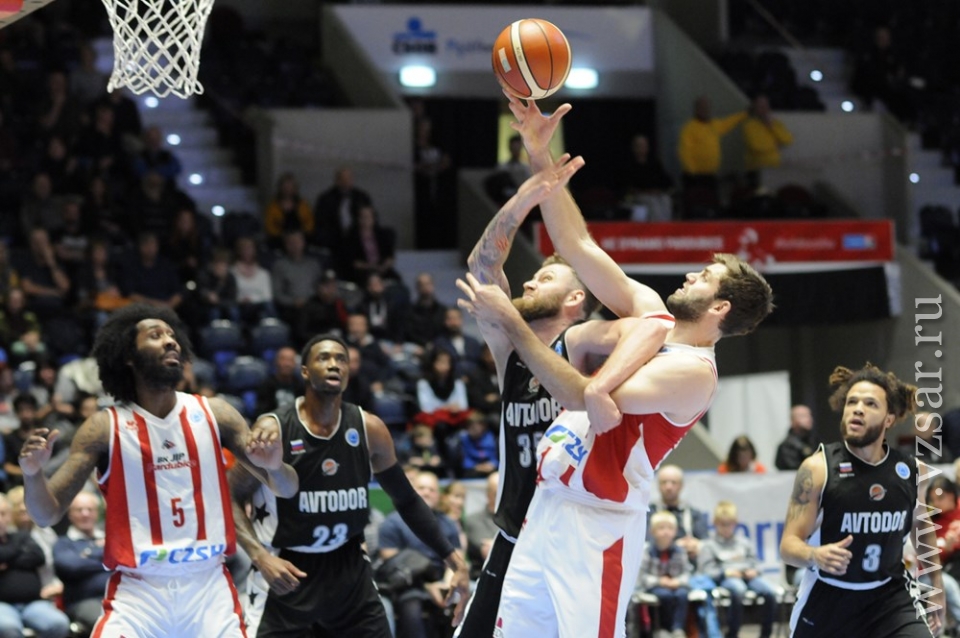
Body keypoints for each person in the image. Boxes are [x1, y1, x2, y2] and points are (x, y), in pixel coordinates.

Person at [456, 90, 773, 638]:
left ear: (720, 308)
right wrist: (539, 156)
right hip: (547, 505)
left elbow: (582, 396)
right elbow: (577, 243)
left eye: (703, 278)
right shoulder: (649, 312)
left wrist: (510, 321)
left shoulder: (694, 373)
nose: (689, 276)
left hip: (596, 522)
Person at [17, 304, 299, 637]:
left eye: (171, 335)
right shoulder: (103, 427)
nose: (170, 341)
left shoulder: (216, 413)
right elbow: (46, 514)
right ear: (129, 356)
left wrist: (273, 465)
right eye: (155, 335)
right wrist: (33, 474)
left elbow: (287, 488)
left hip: (209, 589)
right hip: (140, 593)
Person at [228, 334, 469, 637]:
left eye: (341, 359)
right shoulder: (275, 430)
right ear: (305, 371)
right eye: (324, 358)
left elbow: (407, 499)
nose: (334, 365)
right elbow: (229, 494)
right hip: (285, 573)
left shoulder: (370, 429)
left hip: (349, 572)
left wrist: (455, 561)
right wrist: (259, 557)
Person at [779, 363, 944, 637]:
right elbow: (788, 545)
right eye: (852, 402)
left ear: (889, 419)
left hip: (889, 599)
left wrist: (936, 584)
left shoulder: (912, 471)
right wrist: (815, 555)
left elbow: (921, 525)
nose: (857, 409)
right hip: (829, 599)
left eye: (870, 404)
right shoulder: (818, 468)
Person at [378, 471, 464, 638]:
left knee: (470, 596)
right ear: (411, 491)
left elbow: (457, 559)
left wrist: (447, 585)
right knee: (412, 606)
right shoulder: (392, 523)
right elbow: (391, 564)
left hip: (442, 582)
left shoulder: (448, 523)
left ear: (438, 496)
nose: (427, 492)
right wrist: (428, 586)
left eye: (432, 489)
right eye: (421, 488)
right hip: (409, 585)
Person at [698, 501, 776, 638]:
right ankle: (733, 633)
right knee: (739, 589)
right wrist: (726, 573)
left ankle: (766, 633)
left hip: (748, 576)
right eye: (722, 524)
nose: (726, 528)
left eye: (729, 524)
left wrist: (754, 571)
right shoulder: (709, 545)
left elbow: (756, 562)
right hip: (727, 579)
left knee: (770, 591)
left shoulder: (743, 542)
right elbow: (706, 570)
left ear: (735, 523)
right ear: (715, 523)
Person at [0, 492, 70, 638]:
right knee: (8, 628)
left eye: (3, 514)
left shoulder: (20, 536)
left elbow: (38, 557)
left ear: (9, 516)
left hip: (33, 603)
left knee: (59, 623)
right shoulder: (21, 540)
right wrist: (17, 550)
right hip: (3, 605)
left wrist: (8, 561)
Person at [677, 96, 747, 216]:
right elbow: (684, 151)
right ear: (696, 109)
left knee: (712, 208)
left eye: (707, 107)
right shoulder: (689, 128)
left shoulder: (714, 125)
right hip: (694, 177)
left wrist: (744, 114)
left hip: (710, 176)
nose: (705, 110)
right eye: (702, 107)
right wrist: (691, 171)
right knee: (694, 208)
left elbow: (728, 122)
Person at [52, 490, 110, 631]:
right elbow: (71, 566)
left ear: (97, 513)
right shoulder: (63, 543)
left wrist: (87, 555)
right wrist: (105, 557)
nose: (85, 514)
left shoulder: (110, 538)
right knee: (108, 624)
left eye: (90, 509)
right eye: (79, 510)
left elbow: (122, 561)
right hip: (83, 602)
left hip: (118, 598)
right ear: (70, 514)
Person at [638, 510, 692, 638]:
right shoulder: (647, 551)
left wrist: (678, 581)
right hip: (655, 586)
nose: (666, 532)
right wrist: (659, 581)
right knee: (665, 595)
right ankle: (664, 628)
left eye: (669, 528)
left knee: (682, 594)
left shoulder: (680, 551)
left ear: (675, 531)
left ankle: (677, 628)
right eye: (661, 528)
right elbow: (642, 576)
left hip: (676, 585)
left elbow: (687, 573)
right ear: (652, 531)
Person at [649, 464, 711, 562]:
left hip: (689, 564)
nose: (668, 487)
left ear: (681, 486)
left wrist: (697, 545)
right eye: (664, 482)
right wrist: (675, 546)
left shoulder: (694, 514)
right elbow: (645, 543)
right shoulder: (648, 513)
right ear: (658, 486)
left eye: (673, 482)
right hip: (656, 564)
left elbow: (705, 541)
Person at [742, 94, 793, 190]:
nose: (764, 109)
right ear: (755, 108)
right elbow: (756, 146)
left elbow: (787, 140)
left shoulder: (775, 124)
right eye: (760, 106)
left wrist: (771, 127)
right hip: (756, 170)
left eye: (766, 106)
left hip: (774, 168)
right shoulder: (749, 125)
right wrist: (776, 144)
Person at [621, 134, 674, 222]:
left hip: (656, 194)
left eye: (644, 146)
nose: (642, 148)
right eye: (639, 146)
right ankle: (657, 227)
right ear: (634, 148)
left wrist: (659, 190)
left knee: (666, 199)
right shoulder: (629, 165)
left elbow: (665, 180)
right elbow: (629, 186)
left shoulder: (654, 163)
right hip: (639, 195)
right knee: (651, 202)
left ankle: (667, 226)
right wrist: (647, 191)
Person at [463, 472, 500, 582]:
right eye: (497, 493)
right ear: (488, 494)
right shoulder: (473, 520)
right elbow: (488, 551)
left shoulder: (516, 520)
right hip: (482, 579)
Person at [263, 172, 315, 250]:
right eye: (285, 187)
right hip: (280, 238)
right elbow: (269, 226)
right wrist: (283, 236)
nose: (288, 189)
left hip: (300, 236)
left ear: (295, 188)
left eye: (290, 186)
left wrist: (300, 235)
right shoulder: (273, 206)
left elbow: (310, 223)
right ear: (280, 188)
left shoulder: (303, 204)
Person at [774, 404, 817, 471]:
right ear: (793, 420)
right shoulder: (787, 447)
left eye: (809, 415)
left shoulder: (815, 441)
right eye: (803, 416)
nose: (809, 419)